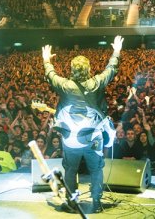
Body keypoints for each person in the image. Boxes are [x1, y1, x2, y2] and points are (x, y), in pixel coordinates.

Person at [42, 35, 123, 214]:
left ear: (72, 69)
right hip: (93, 136)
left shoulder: (65, 85)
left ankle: (73, 203)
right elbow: (111, 69)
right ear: (88, 69)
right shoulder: (95, 83)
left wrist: (46, 60)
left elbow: (51, 75)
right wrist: (116, 51)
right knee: (96, 169)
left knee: (70, 170)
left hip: (71, 137)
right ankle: (96, 201)